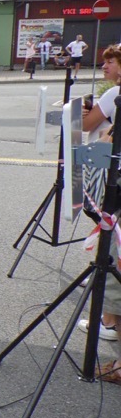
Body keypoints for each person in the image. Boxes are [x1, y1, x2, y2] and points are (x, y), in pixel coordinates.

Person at [79, 44, 121, 341]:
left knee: (111, 236)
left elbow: (88, 126)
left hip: (111, 174)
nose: (105, 66)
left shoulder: (114, 94)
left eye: (111, 61)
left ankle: (108, 322)